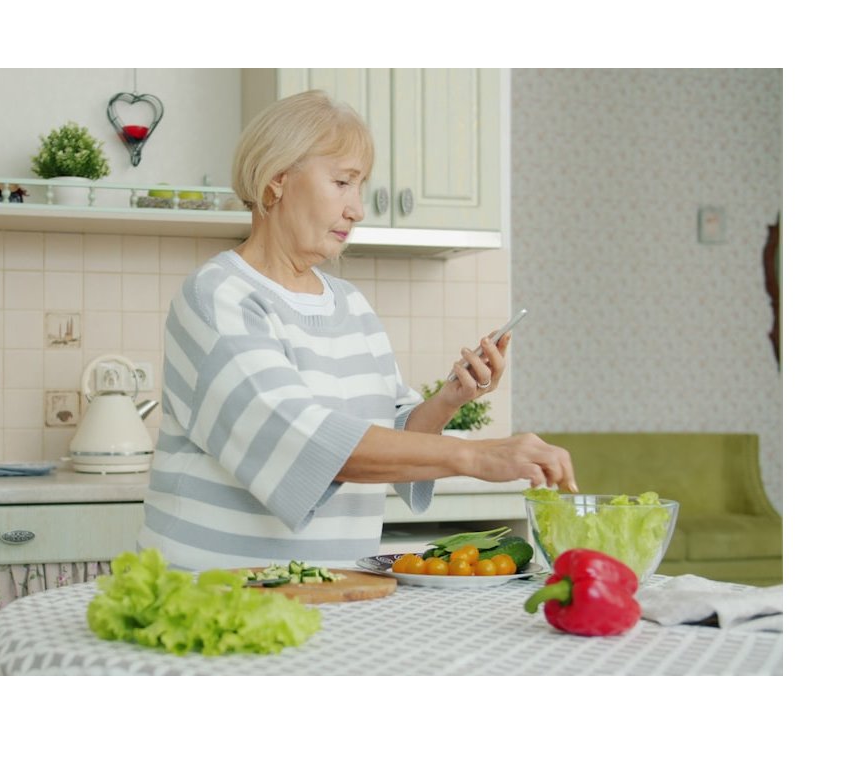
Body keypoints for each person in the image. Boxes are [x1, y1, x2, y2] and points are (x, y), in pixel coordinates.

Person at [138, 90, 577, 570]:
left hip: (334, 591)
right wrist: (476, 456)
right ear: (277, 180)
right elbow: (305, 442)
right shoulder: (219, 296)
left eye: (361, 186)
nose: (358, 209)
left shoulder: (350, 304)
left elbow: (391, 435)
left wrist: (449, 399)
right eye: (343, 182)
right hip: (216, 593)